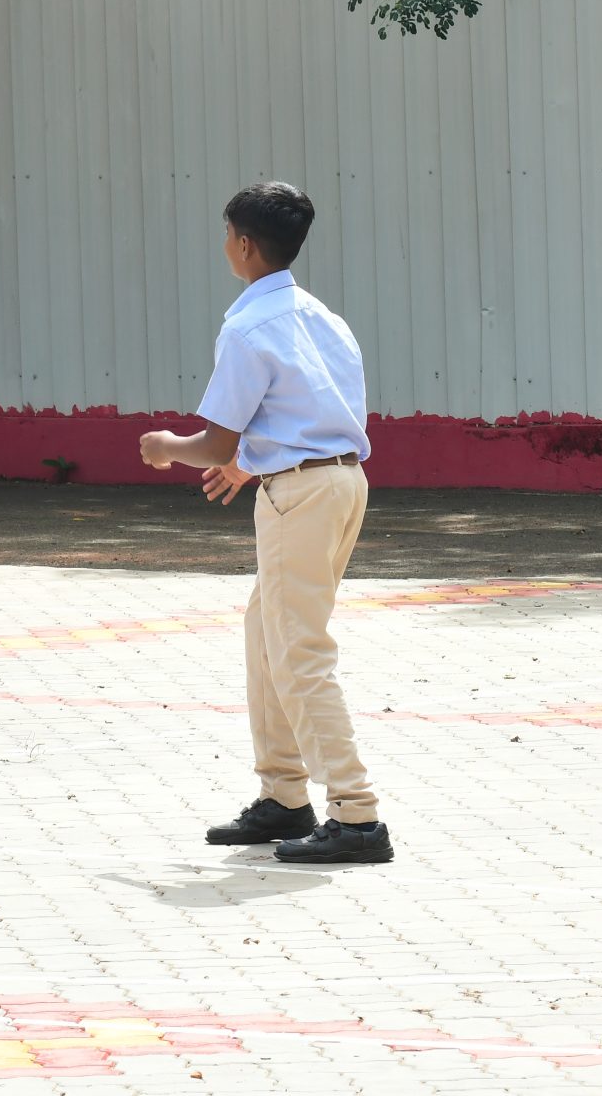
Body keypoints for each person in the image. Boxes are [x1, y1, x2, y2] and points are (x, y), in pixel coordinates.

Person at [140, 181, 389, 865]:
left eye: (227, 234)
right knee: (267, 634)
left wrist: (167, 445)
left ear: (244, 245)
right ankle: (284, 796)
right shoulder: (321, 316)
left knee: (298, 649)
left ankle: (357, 813)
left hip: (300, 497)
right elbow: (314, 412)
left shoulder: (248, 325)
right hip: (340, 482)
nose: (226, 245)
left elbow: (215, 444)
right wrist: (257, 460)